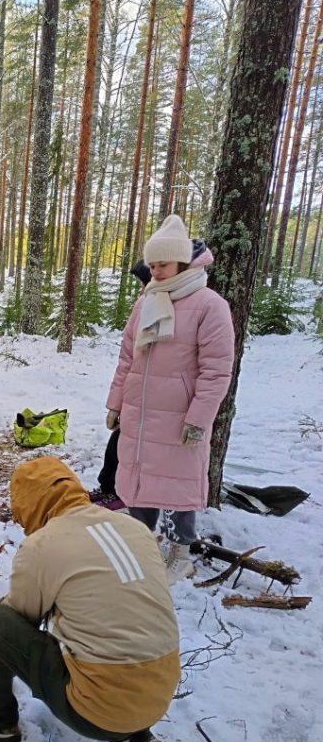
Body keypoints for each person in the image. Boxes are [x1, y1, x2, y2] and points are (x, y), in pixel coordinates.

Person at [0, 456, 180, 742]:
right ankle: (132, 736)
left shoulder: (44, 544)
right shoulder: (132, 527)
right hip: (159, 694)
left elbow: (15, 621)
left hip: (97, 711)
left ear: (30, 505)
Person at [105, 215, 235, 582]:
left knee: (178, 482)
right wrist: (116, 403)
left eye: (162, 264)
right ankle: (141, 541)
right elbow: (128, 358)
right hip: (141, 410)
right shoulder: (147, 301)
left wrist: (199, 419)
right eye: (152, 264)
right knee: (139, 476)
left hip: (180, 415)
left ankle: (181, 551)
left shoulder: (210, 305)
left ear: (181, 261)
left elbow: (216, 371)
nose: (155, 271)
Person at [90, 260, 152, 509]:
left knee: (130, 449)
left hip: (153, 400)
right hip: (134, 393)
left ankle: (119, 492)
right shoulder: (143, 305)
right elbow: (127, 357)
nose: (140, 290)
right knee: (118, 441)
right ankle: (109, 487)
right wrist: (116, 404)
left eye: (142, 284)